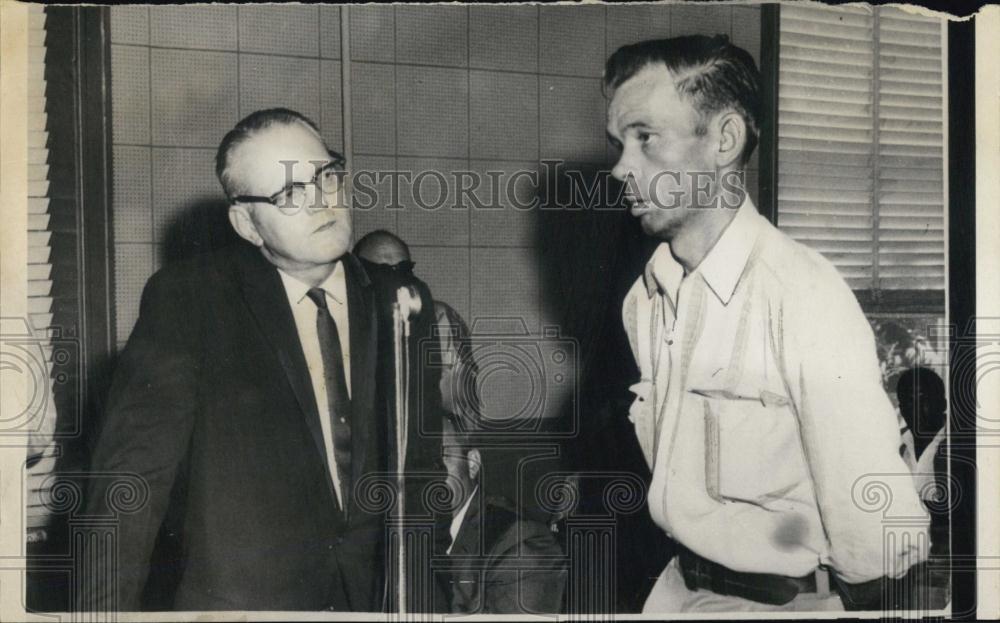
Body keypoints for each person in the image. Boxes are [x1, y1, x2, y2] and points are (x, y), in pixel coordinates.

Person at [606, 36, 930, 612]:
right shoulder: (647, 298)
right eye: (620, 143)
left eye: (645, 138)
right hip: (678, 593)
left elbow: (878, 534)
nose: (621, 168)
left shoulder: (801, 294)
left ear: (724, 141)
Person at [78, 108, 443, 612]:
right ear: (247, 224)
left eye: (326, 175)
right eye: (290, 193)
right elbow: (131, 484)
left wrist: (428, 601)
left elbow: (421, 474)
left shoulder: (401, 302)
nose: (322, 201)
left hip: (377, 603)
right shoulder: (190, 301)